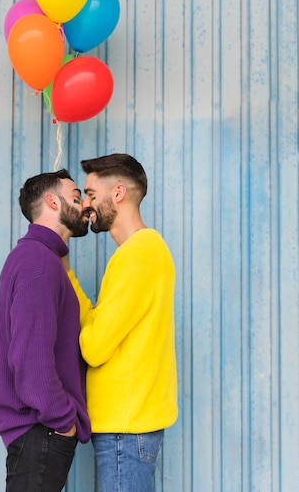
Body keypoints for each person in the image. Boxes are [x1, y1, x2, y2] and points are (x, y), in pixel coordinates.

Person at [68, 153, 178, 492]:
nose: (86, 206)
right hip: (126, 427)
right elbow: (96, 323)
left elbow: (95, 347)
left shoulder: (138, 256)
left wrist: (91, 334)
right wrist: (66, 273)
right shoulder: (137, 254)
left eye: (90, 194)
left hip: (125, 430)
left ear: (118, 193)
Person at [0, 169, 92, 492]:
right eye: (75, 197)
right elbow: (30, 358)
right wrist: (64, 422)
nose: (84, 205)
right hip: (42, 431)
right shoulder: (38, 262)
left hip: (40, 433)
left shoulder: (40, 258)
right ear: (52, 201)